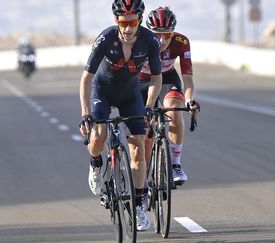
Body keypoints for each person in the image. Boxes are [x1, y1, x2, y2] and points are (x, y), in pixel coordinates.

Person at [79, 0, 162, 231]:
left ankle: (137, 206)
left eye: (132, 22)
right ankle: (96, 164)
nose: (127, 28)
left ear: (140, 20)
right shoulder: (106, 38)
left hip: (129, 95)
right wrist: (86, 113)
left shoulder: (149, 41)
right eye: (123, 22)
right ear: (117, 21)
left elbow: (156, 77)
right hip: (102, 91)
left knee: (138, 145)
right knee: (98, 137)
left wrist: (149, 105)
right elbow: (86, 78)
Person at [139, 6, 200, 185]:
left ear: (173, 33)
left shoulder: (182, 41)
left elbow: (187, 78)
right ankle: (144, 176)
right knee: (145, 134)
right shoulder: (139, 41)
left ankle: (175, 165)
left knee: (174, 109)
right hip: (141, 81)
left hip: (167, 77)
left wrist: (189, 100)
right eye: (157, 34)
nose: (162, 39)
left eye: (167, 34)